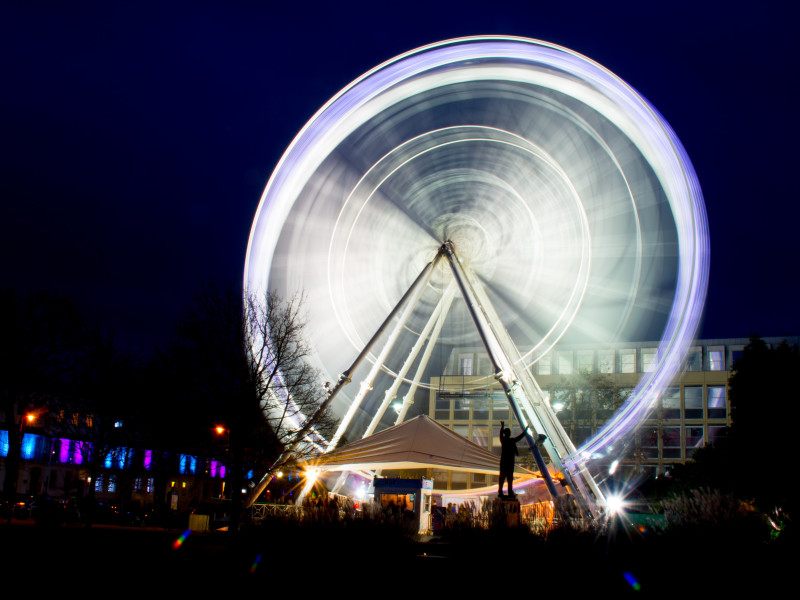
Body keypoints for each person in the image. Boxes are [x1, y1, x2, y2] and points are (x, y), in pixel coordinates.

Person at [498, 420, 529, 498]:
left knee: (503, 477)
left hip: (504, 462)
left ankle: (502, 491)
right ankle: (509, 491)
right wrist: (525, 431)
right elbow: (519, 437)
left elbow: (501, 435)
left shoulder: (504, 440)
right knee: (509, 478)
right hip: (509, 462)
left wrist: (502, 426)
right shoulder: (510, 440)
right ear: (508, 433)